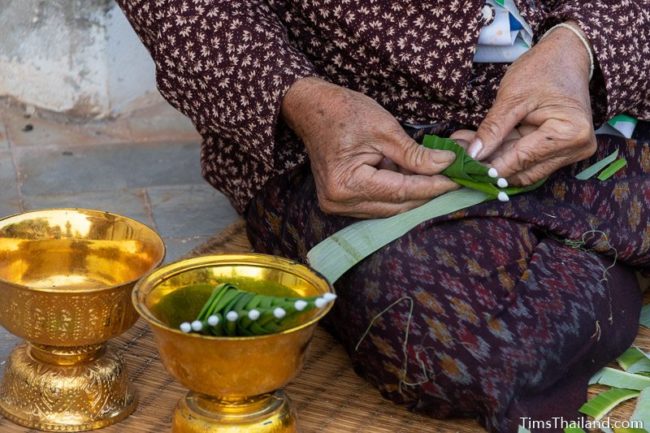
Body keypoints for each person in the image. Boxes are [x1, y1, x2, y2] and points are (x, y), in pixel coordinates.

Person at [117, 1, 649, 432]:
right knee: (455, 349)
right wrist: (301, 99)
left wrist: (580, 45)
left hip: (593, 92)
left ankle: (569, 221)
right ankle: (608, 224)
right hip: (352, 127)